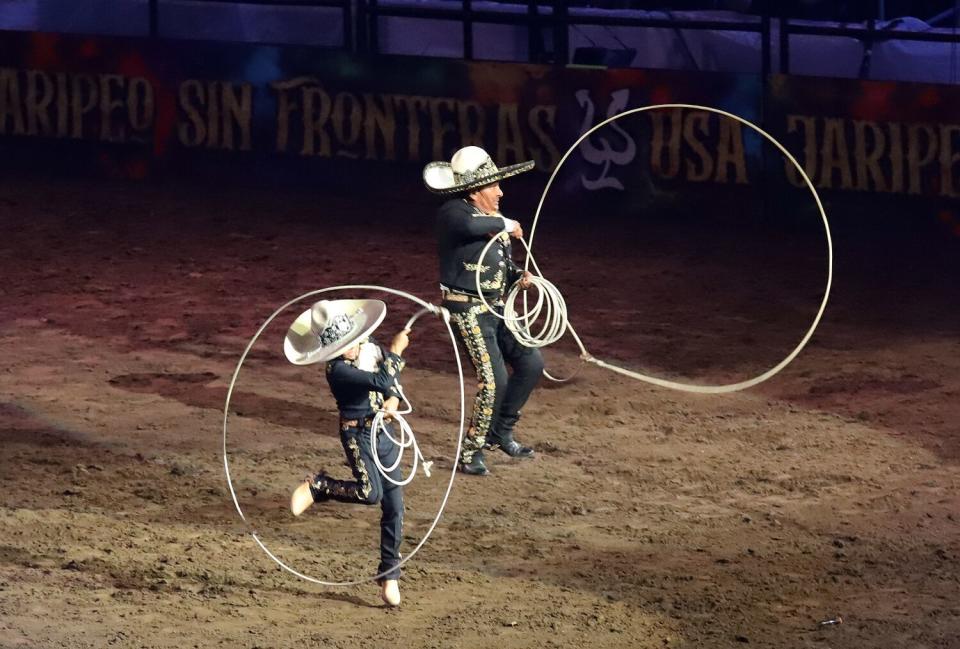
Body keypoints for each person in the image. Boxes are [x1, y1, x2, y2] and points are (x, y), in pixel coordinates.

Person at [422, 146, 544, 476]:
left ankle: (501, 431)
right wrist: (506, 224)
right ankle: (472, 450)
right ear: (476, 190)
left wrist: (520, 276)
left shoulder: (490, 222)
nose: (501, 191)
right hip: (468, 309)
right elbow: (474, 228)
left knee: (531, 363)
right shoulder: (453, 213)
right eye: (495, 186)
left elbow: (499, 263)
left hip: (495, 305)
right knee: (493, 379)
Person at [284, 298, 410, 607]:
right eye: (345, 345)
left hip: (383, 433)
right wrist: (397, 348)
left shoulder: (370, 348)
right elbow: (382, 378)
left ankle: (389, 573)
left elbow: (390, 385)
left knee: (395, 505)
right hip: (357, 435)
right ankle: (320, 486)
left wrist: (392, 403)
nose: (354, 347)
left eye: (354, 341)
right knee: (370, 493)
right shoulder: (338, 371)